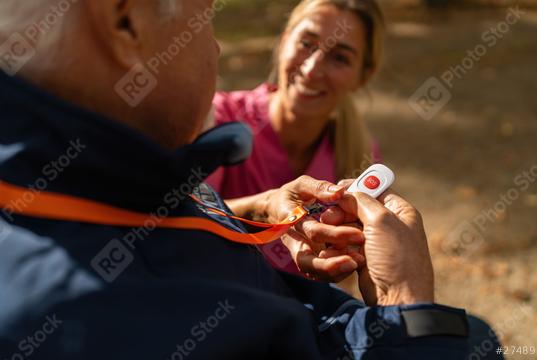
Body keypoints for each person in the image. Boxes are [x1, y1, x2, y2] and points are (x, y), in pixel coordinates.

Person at [0, 1, 501, 359]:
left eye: (339, 56)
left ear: (362, 75)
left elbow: (162, 230)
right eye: (206, 16)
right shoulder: (198, 136)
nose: (217, 47)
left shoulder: (116, 172)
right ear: (125, 19)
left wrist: (254, 210)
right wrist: (409, 309)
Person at [206, 0, 384, 280]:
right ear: (284, 41)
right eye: (306, 44)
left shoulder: (361, 157)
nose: (313, 69)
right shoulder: (220, 118)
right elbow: (186, 218)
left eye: (339, 57)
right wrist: (264, 208)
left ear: (363, 76)